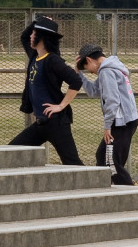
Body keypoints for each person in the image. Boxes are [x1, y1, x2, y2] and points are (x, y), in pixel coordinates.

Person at [8, 17, 84, 165]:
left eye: (34, 33)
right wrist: (36, 22)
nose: (31, 35)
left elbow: (76, 81)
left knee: (72, 163)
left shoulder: (52, 60)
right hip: (40, 124)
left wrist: (61, 106)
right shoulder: (35, 56)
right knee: (11, 151)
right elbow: (24, 37)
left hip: (56, 123)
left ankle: (96, 186)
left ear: (42, 37)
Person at [76, 43, 138, 185]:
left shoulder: (106, 71)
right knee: (105, 156)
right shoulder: (110, 68)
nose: (90, 71)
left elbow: (112, 100)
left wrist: (107, 126)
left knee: (110, 161)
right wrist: (79, 74)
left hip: (121, 122)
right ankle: (108, 189)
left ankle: (129, 194)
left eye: (86, 68)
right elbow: (93, 91)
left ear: (90, 60)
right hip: (126, 121)